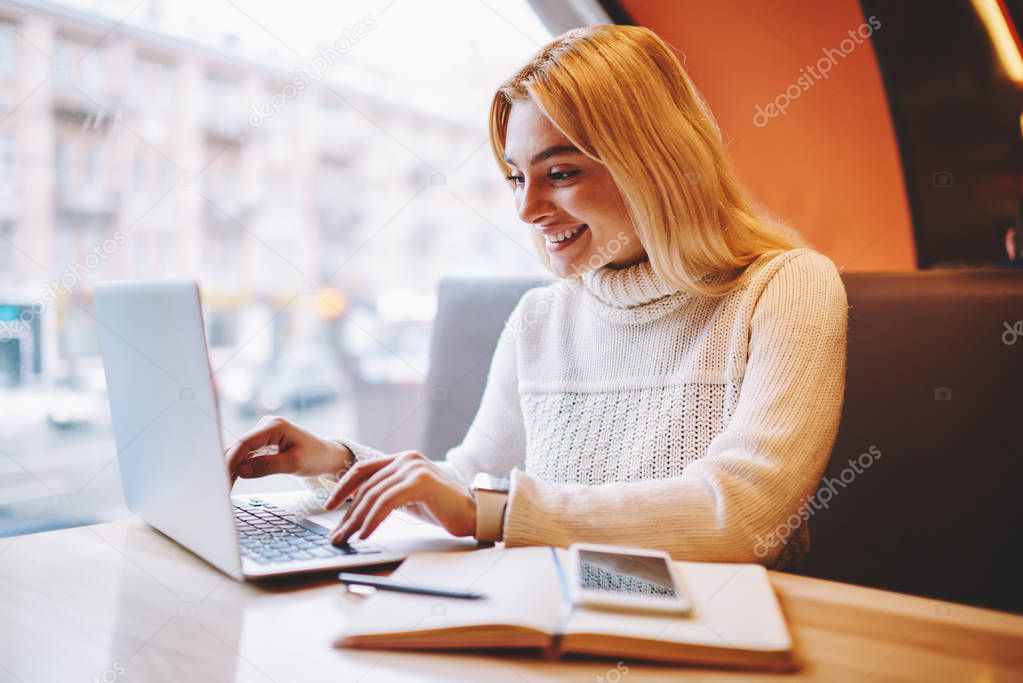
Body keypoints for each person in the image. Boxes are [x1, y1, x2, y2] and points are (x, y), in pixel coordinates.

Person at [225, 25, 848, 569]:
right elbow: (470, 485)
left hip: (721, 638)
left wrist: (487, 509)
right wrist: (339, 461)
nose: (526, 209)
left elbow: (745, 514)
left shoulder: (785, 287)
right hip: (561, 623)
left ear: (655, 164)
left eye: (562, 173)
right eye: (517, 177)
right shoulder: (541, 319)